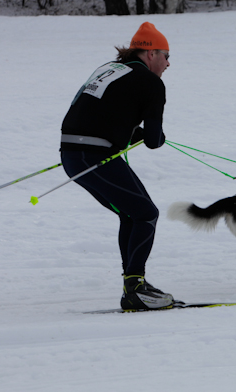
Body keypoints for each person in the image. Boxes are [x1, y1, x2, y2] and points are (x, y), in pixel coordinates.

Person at [60, 22, 173, 311]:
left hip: (73, 155)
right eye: (166, 56)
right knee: (146, 214)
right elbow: (153, 141)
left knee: (132, 214)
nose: (168, 64)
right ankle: (135, 289)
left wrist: (124, 135)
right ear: (150, 54)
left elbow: (93, 108)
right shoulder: (152, 83)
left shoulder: (109, 69)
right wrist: (153, 136)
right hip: (94, 156)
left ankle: (134, 285)